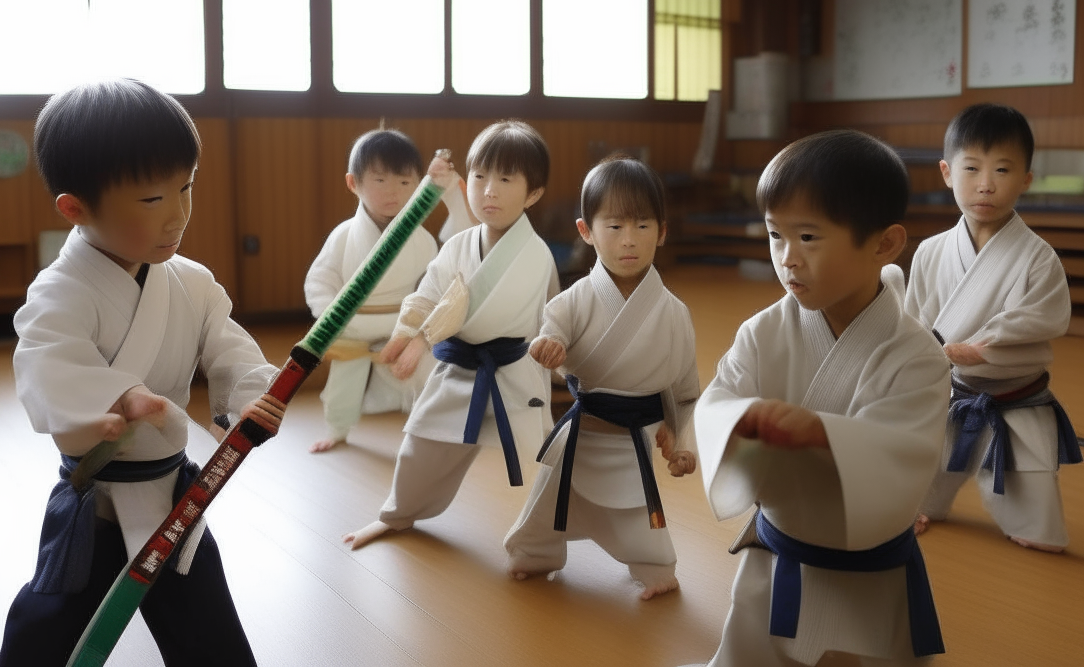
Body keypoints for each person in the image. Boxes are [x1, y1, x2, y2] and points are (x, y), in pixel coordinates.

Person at [0, 78, 285, 667]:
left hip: (174, 497)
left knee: (208, 631)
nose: (178, 214)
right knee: (50, 632)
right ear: (75, 208)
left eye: (186, 188)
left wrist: (253, 396)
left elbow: (229, 347)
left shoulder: (193, 282)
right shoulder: (59, 293)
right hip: (95, 504)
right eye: (153, 200)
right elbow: (47, 360)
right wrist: (118, 398)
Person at [687, 130, 950, 667]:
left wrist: (822, 434)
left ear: (884, 244)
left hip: (869, 577)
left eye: (808, 237)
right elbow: (718, 399)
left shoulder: (917, 355)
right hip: (777, 555)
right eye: (774, 235)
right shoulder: (763, 332)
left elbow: (906, 450)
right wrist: (740, 420)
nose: (788, 258)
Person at [344, 119, 558, 550]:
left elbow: (471, 309)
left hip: (511, 373)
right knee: (422, 441)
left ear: (533, 193)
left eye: (505, 179)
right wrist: (405, 334)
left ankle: (542, 543)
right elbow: (429, 292)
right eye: (479, 176)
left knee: (545, 459)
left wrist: (423, 341)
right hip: (459, 367)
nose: (489, 190)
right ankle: (398, 515)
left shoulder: (535, 253)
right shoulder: (461, 243)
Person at [504, 156, 700, 600]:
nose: (629, 240)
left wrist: (682, 442)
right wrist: (548, 347)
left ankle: (652, 564)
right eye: (614, 227)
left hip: (632, 439)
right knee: (548, 501)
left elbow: (685, 391)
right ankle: (537, 553)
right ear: (586, 231)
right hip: (582, 434)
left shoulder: (674, 314)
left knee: (639, 516)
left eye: (643, 226)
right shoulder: (574, 299)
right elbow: (551, 333)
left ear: (662, 231)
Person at [905, 103, 1081, 552]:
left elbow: (1043, 317)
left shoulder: (1037, 256)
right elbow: (917, 322)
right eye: (971, 168)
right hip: (950, 393)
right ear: (947, 172)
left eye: (1003, 169)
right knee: (915, 477)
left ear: (1026, 179)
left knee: (1039, 529)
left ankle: (1026, 517)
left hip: (1014, 397)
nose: (986, 184)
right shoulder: (930, 251)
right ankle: (916, 501)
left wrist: (985, 348)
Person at [304, 127, 472, 452]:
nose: (393, 191)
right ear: (354, 183)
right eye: (380, 180)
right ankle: (338, 428)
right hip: (352, 323)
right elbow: (320, 279)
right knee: (345, 379)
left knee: (425, 371)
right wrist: (330, 316)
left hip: (402, 323)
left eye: (405, 182)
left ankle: (428, 425)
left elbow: (442, 275)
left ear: (419, 185)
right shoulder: (343, 236)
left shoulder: (421, 239)